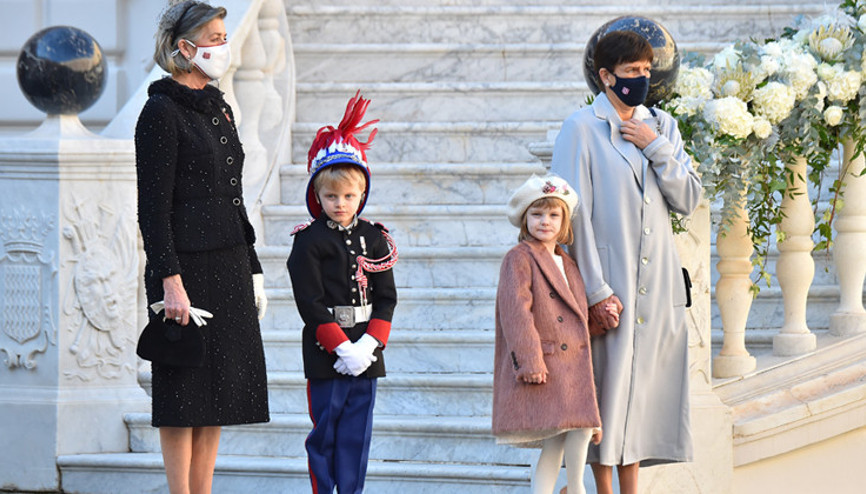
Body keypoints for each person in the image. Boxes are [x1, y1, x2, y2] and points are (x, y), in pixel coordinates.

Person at [550, 30, 702, 494]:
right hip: (609, 285)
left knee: (643, 397)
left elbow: (689, 199)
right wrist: (595, 290)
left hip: (657, 287)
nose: (640, 79)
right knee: (607, 393)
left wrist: (655, 145)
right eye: (630, 72)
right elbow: (570, 216)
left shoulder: (664, 126)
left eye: (645, 71)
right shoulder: (581, 128)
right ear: (605, 76)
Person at [135, 2, 269, 493]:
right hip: (184, 271)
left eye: (223, 34)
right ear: (184, 47)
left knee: (219, 396)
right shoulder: (159, 111)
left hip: (229, 263)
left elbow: (233, 196)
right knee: (183, 393)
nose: (222, 45)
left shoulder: (220, 106)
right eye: (213, 36)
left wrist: (252, 267)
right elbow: (153, 208)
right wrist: (170, 281)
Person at [286, 92, 398, 494]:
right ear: (317, 195)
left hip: (366, 351)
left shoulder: (376, 238)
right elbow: (310, 303)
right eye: (331, 196)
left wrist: (369, 345)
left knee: (356, 435)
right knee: (326, 434)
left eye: (349, 196)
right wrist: (340, 348)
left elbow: (386, 297)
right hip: (326, 354)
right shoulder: (308, 241)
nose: (340, 203)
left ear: (362, 194)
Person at [492, 174, 608, 494]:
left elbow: (574, 315)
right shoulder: (519, 258)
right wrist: (529, 360)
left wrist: (600, 322)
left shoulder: (567, 262)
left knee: (575, 431)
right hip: (547, 361)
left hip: (572, 364)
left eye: (553, 215)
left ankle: (572, 488)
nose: (545, 221)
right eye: (537, 214)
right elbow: (515, 312)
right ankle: (573, 490)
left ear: (564, 221)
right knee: (560, 437)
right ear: (524, 218)